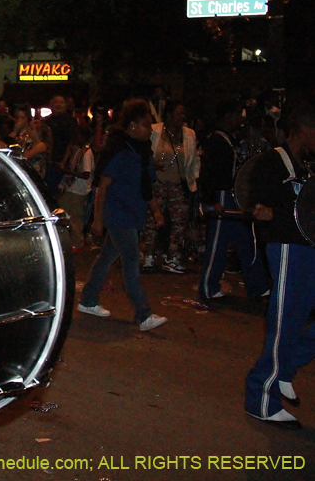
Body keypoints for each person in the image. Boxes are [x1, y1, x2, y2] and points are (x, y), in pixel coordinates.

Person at [244, 103, 315, 429]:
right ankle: (261, 396)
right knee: (285, 322)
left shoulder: (308, 165)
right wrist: (264, 210)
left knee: (297, 321)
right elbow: (256, 201)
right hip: (287, 249)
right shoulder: (274, 160)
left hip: (309, 248)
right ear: (304, 130)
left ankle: (285, 367)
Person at [77, 98, 168, 331]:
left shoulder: (139, 150)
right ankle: (143, 313)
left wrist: (156, 211)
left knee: (107, 257)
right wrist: (98, 219)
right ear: (133, 126)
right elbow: (102, 186)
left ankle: (88, 300)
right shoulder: (120, 150)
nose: (151, 129)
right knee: (130, 262)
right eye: (147, 125)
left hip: (131, 213)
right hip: (118, 214)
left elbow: (145, 186)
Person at [197, 101, 268, 300]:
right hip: (221, 196)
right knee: (217, 246)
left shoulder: (229, 140)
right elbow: (207, 174)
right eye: (237, 113)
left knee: (246, 242)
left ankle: (258, 285)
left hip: (232, 196)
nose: (241, 118)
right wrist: (211, 201)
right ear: (228, 116)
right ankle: (207, 287)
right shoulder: (217, 141)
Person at [140, 100, 199, 273]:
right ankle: (149, 255)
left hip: (177, 183)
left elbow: (194, 159)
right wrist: (151, 164)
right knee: (152, 219)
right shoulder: (155, 130)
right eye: (178, 113)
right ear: (169, 115)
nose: (181, 117)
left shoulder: (189, 134)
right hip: (157, 182)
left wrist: (193, 178)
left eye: (183, 114)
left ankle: (172, 257)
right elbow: (145, 152)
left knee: (179, 221)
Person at [58, 125, 94, 252]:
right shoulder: (77, 151)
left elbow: (86, 174)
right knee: (63, 212)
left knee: (76, 218)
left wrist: (69, 172)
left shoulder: (87, 153)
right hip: (71, 188)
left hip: (80, 190)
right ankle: (69, 240)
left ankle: (78, 243)